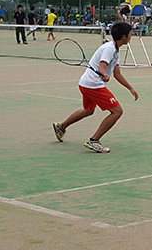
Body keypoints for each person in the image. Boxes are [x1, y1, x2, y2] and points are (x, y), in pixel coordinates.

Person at [52, 21, 139, 153]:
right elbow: (102, 66)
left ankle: (61, 126)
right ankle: (94, 140)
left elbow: (117, 74)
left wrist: (130, 88)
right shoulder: (109, 49)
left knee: (88, 111)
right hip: (93, 86)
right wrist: (103, 74)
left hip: (85, 84)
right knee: (117, 111)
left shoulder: (115, 50)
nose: (131, 36)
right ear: (124, 37)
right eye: (130, 34)